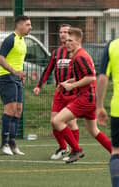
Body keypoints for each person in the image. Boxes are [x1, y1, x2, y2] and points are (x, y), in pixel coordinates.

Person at [52, 27, 112, 163]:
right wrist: (67, 82)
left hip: (85, 99)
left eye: (70, 40)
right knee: (93, 130)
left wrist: (72, 86)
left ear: (78, 41)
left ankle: (76, 150)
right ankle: (115, 154)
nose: (67, 43)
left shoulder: (80, 56)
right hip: (90, 99)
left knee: (57, 121)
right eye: (66, 40)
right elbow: (82, 76)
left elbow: (91, 77)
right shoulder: (79, 55)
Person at [33, 24, 79, 160]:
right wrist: (39, 86)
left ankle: (75, 150)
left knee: (71, 123)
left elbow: (83, 73)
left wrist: (72, 84)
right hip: (59, 93)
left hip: (73, 93)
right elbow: (48, 69)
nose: (63, 34)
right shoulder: (56, 52)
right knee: (54, 121)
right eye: (61, 32)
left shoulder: (77, 52)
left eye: (66, 32)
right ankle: (63, 147)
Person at [0, 15, 32, 155]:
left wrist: (20, 74)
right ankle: (4, 144)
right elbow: (0, 58)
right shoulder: (10, 39)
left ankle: (12, 143)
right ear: (20, 25)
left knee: (18, 110)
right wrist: (14, 71)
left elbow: (18, 60)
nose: (30, 27)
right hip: (6, 77)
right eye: (28, 25)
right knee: (10, 109)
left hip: (16, 78)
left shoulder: (22, 40)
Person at [97, 38, 119, 187]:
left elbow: (103, 77)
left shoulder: (113, 45)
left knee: (117, 151)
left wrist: (99, 106)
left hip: (118, 109)